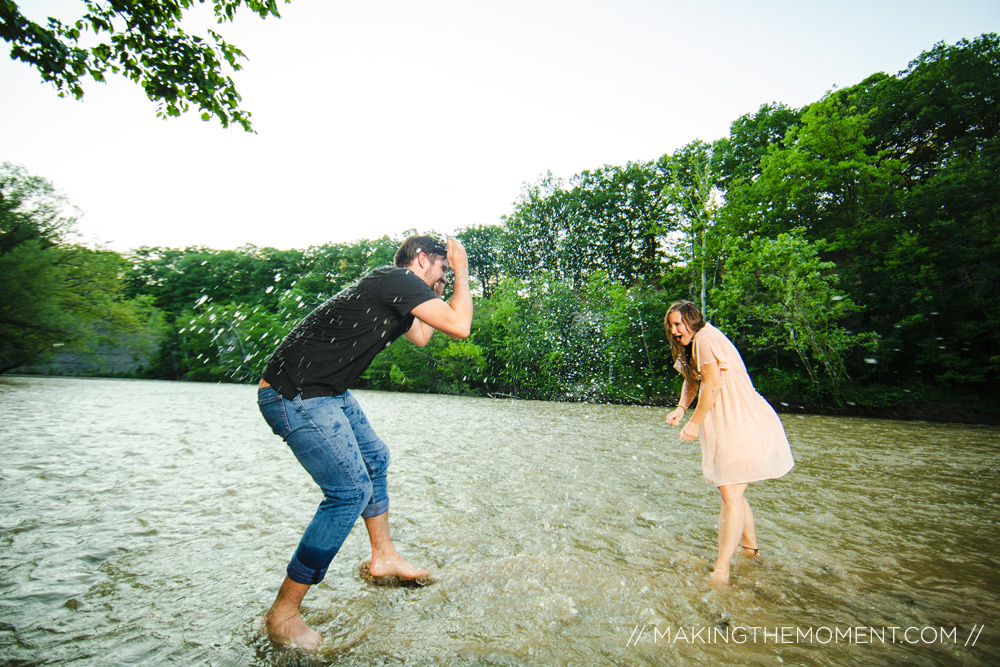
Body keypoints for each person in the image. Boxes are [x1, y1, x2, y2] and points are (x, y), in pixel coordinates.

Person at [256, 235, 472, 649]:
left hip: (325, 391)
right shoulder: (393, 278)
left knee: (374, 458)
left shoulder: (398, 291)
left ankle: (383, 557)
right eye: (441, 268)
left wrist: (441, 286)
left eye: (449, 272)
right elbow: (459, 327)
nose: (445, 275)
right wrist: (461, 275)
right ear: (421, 259)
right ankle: (283, 614)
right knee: (349, 491)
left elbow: (425, 336)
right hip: (293, 393)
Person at [663, 301, 793, 587]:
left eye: (678, 324)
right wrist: (681, 409)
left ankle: (722, 570)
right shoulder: (695, 343)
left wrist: (695, 424)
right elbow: (692, 380)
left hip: (740, 417)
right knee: (731, 487)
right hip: (726, 417)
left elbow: (713, 385)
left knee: (730, 492)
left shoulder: (706, 339)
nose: (674, 331)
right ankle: (750, 549)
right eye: (671, 325)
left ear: (693, 321)